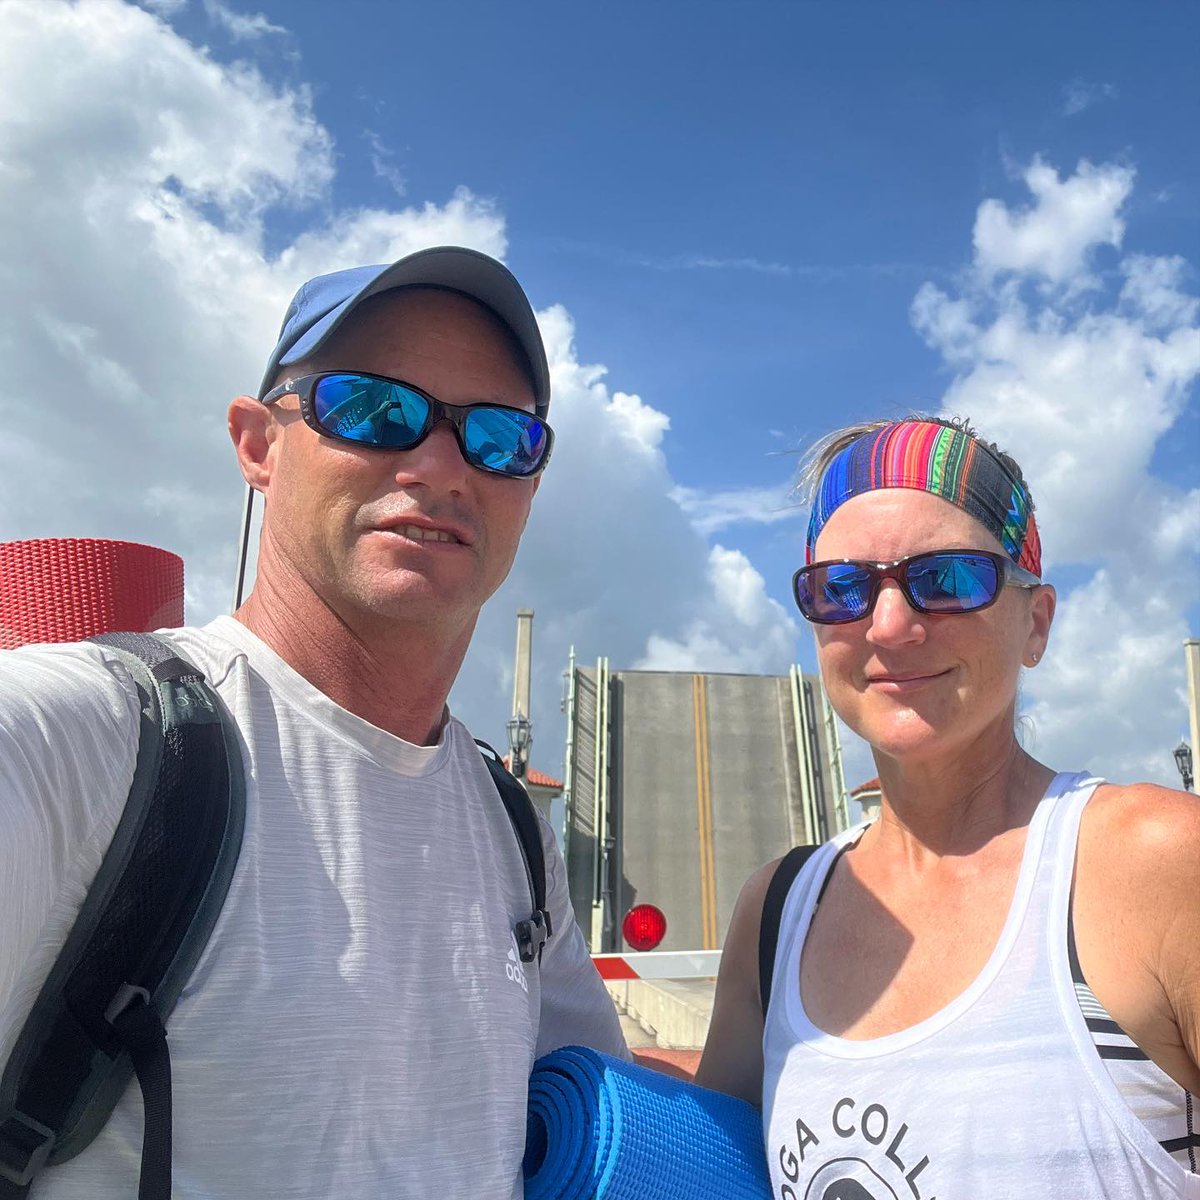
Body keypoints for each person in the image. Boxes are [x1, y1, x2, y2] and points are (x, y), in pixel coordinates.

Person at [0, 247, 628, 1198]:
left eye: (498, 438)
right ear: (258, 444)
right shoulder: (90, 741)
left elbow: (598, 1113)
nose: (439, 464)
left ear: (530, 485)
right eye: (374, 409)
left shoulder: (514, 834)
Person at [696, 416, 1199, 1198]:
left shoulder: (1157, 862)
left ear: (1036, 622)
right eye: (843, 588)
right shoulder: (777, 912)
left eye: (949, 577)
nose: (890, 624)